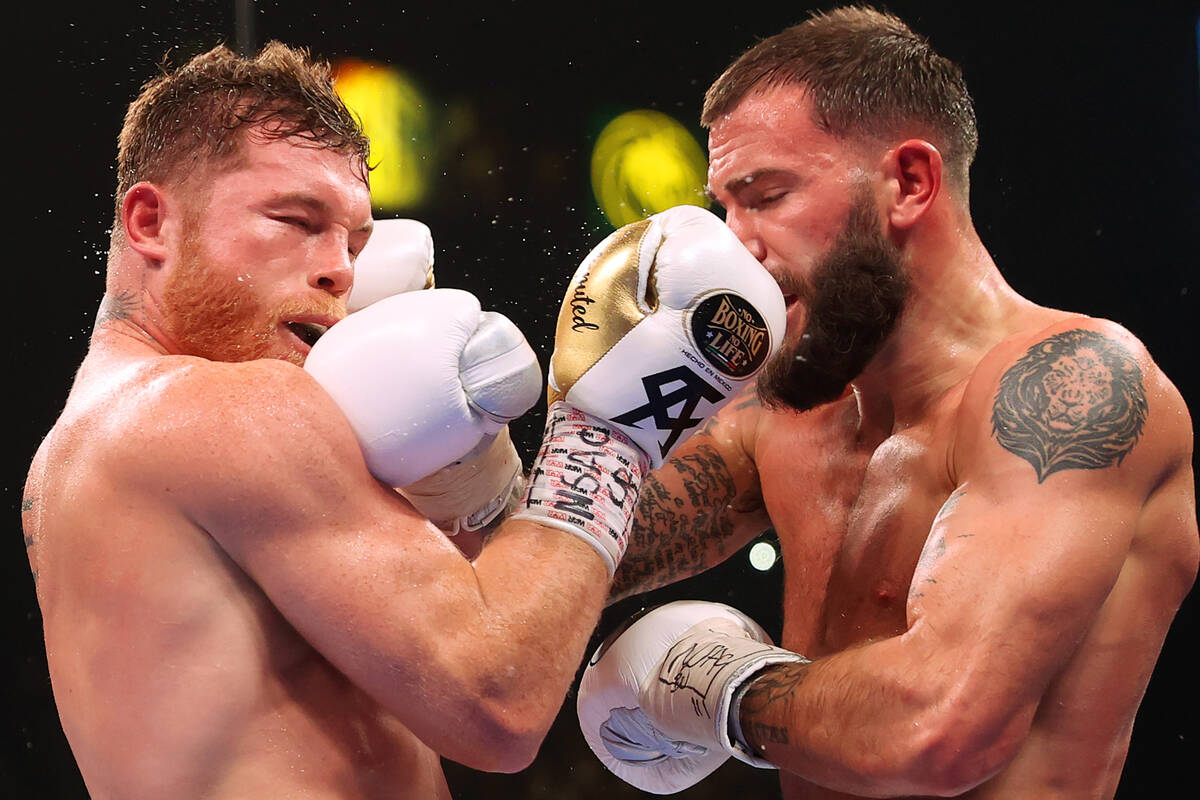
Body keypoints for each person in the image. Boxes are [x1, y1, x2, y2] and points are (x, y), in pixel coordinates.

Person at [20, 42, 788, 798]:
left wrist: (468, 484)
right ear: (151, 221)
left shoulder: (81, 447)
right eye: (295, 219)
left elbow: (453, 617)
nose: (341, 271)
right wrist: (609, 437)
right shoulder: (229, 409)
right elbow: (499, 704)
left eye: (355, 239)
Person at [577, 7, 1198, 799]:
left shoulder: (1072, 388)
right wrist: (516, 438)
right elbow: (560, 558)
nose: (734, 246)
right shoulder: (780, 412)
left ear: (909, 183)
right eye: (724, 208)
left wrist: (721, 689)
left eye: (765, 195)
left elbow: (937, 729)